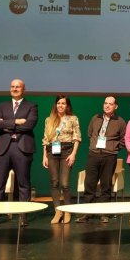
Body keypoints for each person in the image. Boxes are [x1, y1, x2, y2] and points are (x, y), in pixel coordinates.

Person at [0, 79, 38, 227]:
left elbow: (29, 125)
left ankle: (23, 216)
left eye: (18, 86)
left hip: (22, 147)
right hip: (3, 148)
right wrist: (16, 122)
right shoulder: (2, 105)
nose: (15, 88)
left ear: (23, 89)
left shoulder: (31, 105)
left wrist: (6, 124)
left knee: (23, 183)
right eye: (12, 86)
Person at [75, 96, 126, 223]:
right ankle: (88, 213)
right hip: (93, 154)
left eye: (110, 104)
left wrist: (113, 148)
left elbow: (124, 139)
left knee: (106, 184)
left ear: (116, 106)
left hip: (109, 156)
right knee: (89, 184)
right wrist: (94, 146)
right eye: (105, 103)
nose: (107, 106)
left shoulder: (120, 121)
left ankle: (104, 213)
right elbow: (89, 133)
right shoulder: (95, 118)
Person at [42, 95, 81, 224]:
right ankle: (58, 211)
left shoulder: (73, 118)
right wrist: (44, 156)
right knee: (54, 182)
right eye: (58, 103)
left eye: (63, 103)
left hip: (67, 151)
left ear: (67, 105)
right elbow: (46, 139)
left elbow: (77, 137)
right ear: (55, 105)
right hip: (51, 151)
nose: (61, 105)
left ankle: (67, 210)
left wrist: (74, 154)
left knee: (64, 184)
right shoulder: (49, 119)